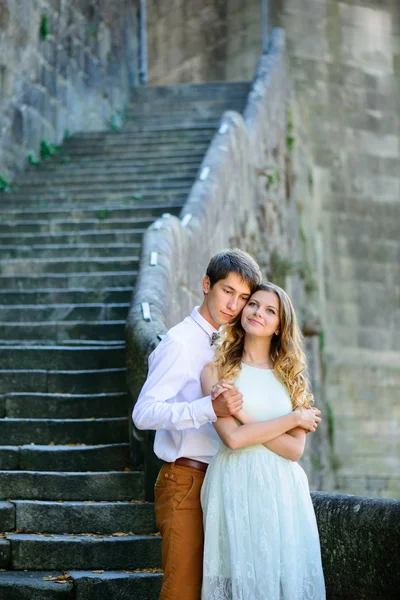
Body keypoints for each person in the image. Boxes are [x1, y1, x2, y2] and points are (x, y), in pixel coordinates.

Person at [133, 251, 321, 600]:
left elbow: (291, 447)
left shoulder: (226, 346)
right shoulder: (181, 343)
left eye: (244, 298)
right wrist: (209, 407)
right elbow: (143, 414)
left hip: (232, 482)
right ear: (206, 286)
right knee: (184, 590)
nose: (235, 305)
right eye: (227, 292)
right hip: (187, 477)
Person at [200, 282, 325, 600]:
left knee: (279, 582)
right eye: (253, 304)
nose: (258, 312)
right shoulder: (216, 371)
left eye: (270, 310)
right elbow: (233, 439)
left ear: (280, 324)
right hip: (234, 482)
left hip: (282, 490)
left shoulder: (293, 377)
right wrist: (293, 420)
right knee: (240, 579)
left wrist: (247, 418)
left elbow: (294, 450)